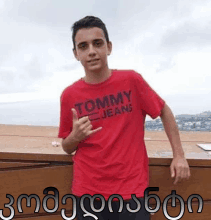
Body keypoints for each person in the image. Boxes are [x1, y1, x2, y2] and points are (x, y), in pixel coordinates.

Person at [58, 15, 190, 220]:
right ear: (76, 54)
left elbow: (164, 111)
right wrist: (75, 137)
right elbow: (67, 146)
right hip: (88, 193)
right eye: (83, 46)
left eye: (97, 43)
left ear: (109, 47)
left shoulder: (131, 81)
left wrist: (179, 156)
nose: (91, 51)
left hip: (132, 191)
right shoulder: (69, 95)